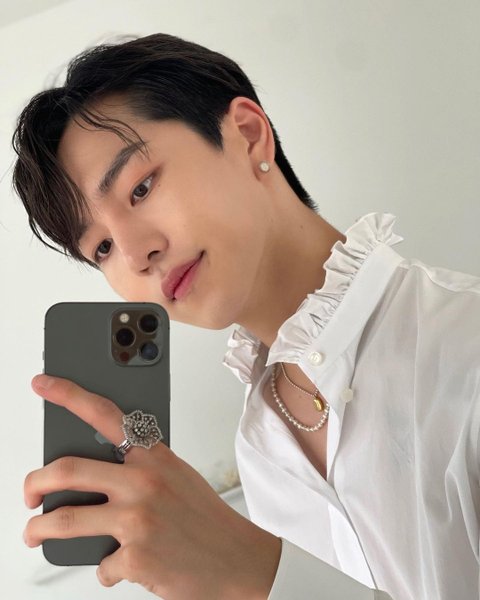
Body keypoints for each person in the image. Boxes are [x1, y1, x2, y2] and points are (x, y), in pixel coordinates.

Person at [11, 33, 480, 600]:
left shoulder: (464, 342)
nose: (135, 255)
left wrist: (253, 571)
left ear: (248, 134)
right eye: (102, 248)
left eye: (141, 187)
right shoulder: (259, 450)